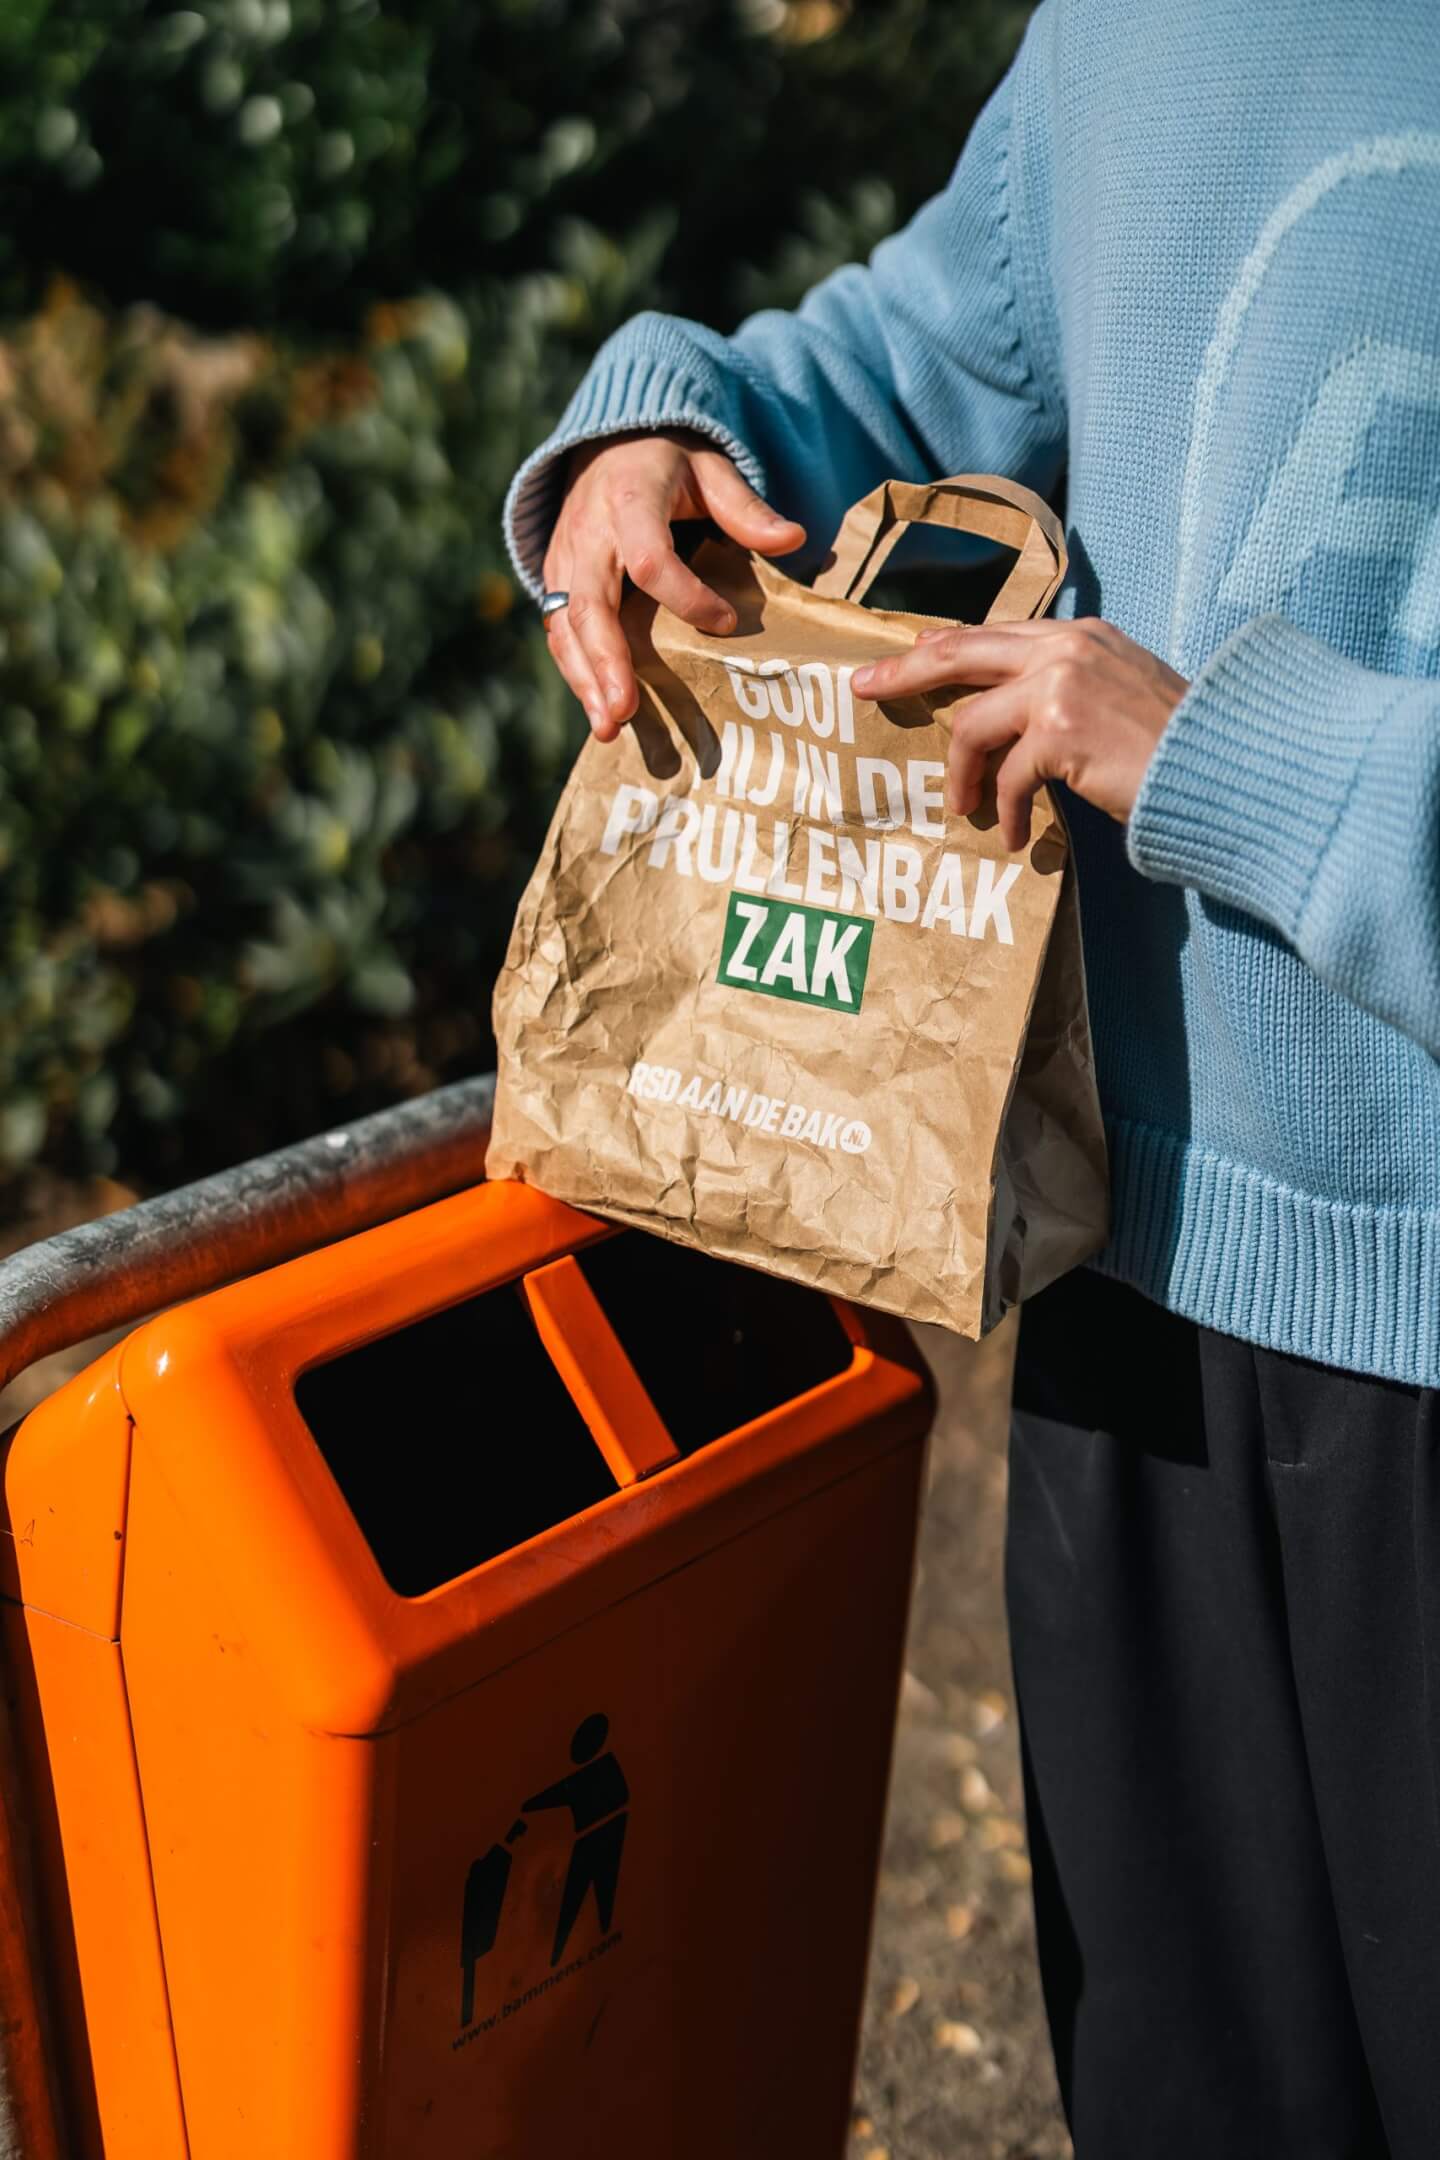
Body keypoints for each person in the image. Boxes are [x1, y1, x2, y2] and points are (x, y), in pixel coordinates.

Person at [503, 3, 1440, 2152]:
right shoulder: (1125, 37)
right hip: (1136, 1288)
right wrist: (662, 425)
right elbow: (884, 374)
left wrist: (1222, 759)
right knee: (1187, 2096)